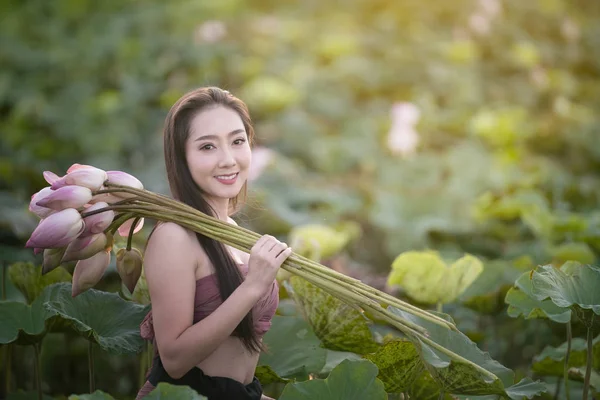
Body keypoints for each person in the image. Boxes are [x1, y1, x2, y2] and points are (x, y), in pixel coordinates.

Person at [135, 87, 291, 400]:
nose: (228, 159)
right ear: (182, 158)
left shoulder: (233, 232)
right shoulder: (174, 236)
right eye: (207, 147)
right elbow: (175, 361)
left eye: (237, 141)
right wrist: (252, 287)